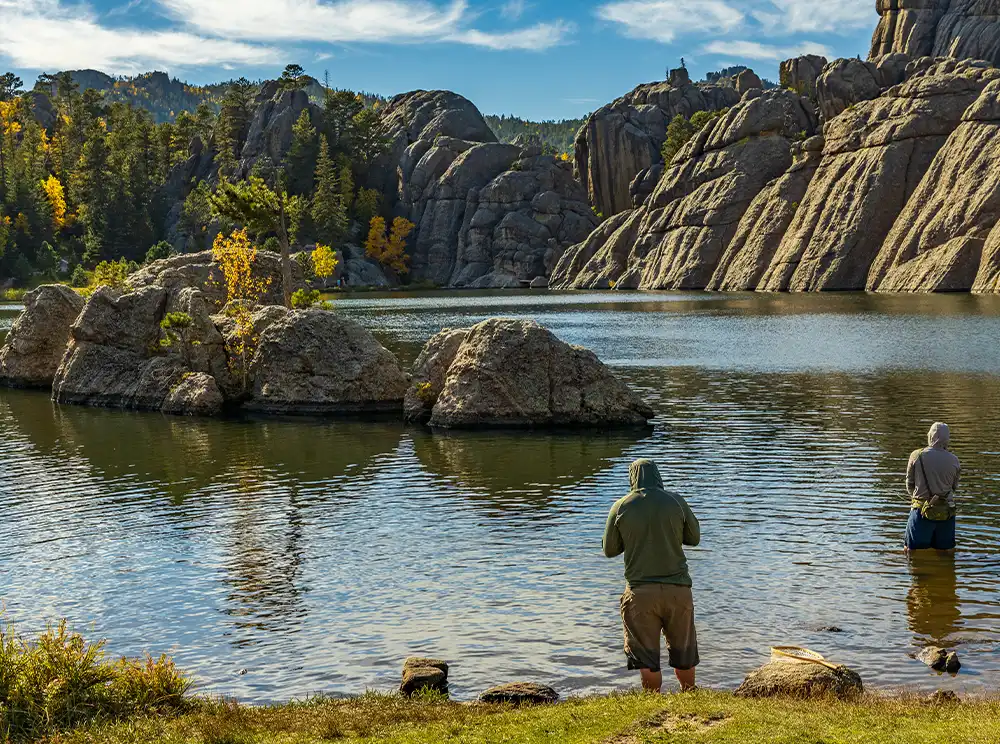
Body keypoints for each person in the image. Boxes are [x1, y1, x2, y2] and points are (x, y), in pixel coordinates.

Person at [603, 459, 701, 692]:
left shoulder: (621, 506)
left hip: (640, 593)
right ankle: (689, 696)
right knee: (683, 651)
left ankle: (652, 701)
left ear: (632, 478)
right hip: (678, 591)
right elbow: (694, 538)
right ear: (658, 476)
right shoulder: (676, 501)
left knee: (646, 659)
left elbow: (609, 550)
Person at [905, 422, 961, 552]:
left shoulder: (916, 455)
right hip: (946, 514)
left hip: (921, 513)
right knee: (946, 554)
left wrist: (916, 498)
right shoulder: (954, 460)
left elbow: (909, 484)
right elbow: (954, 487)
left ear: (930, 436)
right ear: (947, 439)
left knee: (911, 552)